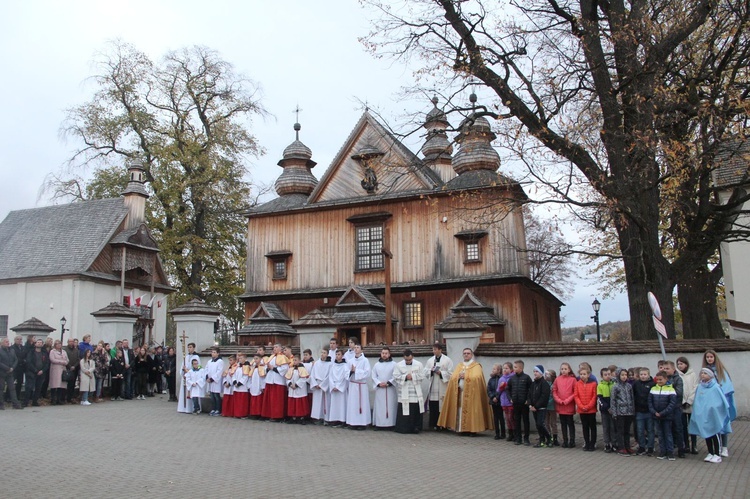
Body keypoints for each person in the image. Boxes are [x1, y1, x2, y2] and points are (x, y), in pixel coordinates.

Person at [437, 348, 493, 435]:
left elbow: (477, 377)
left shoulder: (476, 366)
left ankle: (472, 430)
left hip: (472, 394)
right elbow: (453, 377)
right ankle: (461, 429)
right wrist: (458, 376)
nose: (466, 355)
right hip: (460, 393)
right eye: (464, 353)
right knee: (460, 410)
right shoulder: (459, 366)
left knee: (472, 411)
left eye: (468, 353)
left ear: (472, 355)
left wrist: (466, 376)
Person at [689, 368, 732, 464]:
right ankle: (710, 452)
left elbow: (720, 401)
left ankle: (717, 454)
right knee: (706, 434)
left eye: (705, 373)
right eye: (702, 373)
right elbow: (698, 401)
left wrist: (712, 408)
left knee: (714, 433)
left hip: (713, 415)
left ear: (711, 375)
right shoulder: (700, 387)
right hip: (704, 415)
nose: (703, 375)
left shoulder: (715, 387)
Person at [702, 350, 735, 458]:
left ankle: (724, 447)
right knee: (713, 425)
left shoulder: (721, 371)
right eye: (707, 357)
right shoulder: (704, 371)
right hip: (709, 403)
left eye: (711, 357)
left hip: (720, 402)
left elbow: (726, 387)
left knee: (723, 425)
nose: (709, 359)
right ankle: (716, 448)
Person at [392, 348, 426, 434]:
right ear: (403, 357)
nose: (408, 361)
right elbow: (395, 376)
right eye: (406, 360)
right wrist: (405, 377)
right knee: (404, 410)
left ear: (413, 357)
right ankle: (403, 428)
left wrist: (413, 376)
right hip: (404, 390)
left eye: (410, 360)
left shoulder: (419, 364)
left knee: (415, 409)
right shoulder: (398, 365)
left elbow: (422, 376)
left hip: (415, 391)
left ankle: (416, 428)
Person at [649, 370, 677, 461]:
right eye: (657, 380)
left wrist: (662, 413)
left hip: (667, 416)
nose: (659, 381)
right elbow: (650, 402)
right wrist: (654, 412)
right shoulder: (653, 389)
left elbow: (672, 404)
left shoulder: (671, 389)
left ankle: (670, 452)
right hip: (656, 416)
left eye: (661, 380)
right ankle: (662, 451)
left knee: (668, 434)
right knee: (660, 435)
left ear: (666, 379)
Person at [424, 342, 453, 430]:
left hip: (442, 385)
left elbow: (451, 373)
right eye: (433, 349)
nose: (434, 351)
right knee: (433, 405)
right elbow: (425, 371)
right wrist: (431, 371)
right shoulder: (430, 360)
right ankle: (434, 424)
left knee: (442, 405)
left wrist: (441, 373)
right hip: (433, 386)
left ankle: (443, 425)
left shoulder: (447, 360)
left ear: (440, 350)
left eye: (435, 349)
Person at [260, 343, 289, 421]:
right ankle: (269, 414)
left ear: (280, 348)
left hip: (278, 381)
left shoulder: (283, 357)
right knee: (270, 400)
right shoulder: (271, 357)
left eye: (276, 347)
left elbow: (285, 369)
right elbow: (266, 367)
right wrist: (268, 368)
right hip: (270, 380)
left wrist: (273, 368)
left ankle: (277, 416)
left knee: (277, 400)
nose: (274, 349)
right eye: (274, 347)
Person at [345, 342, 371, 430]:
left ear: (361, 349)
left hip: (361, 386)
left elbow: (367, 373)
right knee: (353, 404)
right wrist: (351, 372)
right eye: (355, 347)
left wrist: (356, 371)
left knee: (362, 404)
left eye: (358, 347)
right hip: (353, 385)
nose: (356, 349)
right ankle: (353, 422)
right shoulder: (350, 361)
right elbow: (346, 373)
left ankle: (362, 423)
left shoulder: (365, 360)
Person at [676, 356, 699, 454]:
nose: (679, 365)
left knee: (692, 425)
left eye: (681, 363)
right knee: (683, 426)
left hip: (691, 403)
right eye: (678, 364)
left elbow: (695, 388)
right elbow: (678, 389)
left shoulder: (693, 374)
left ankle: (694, 445)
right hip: (681, 404)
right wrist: (682, 401)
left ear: (686, 364)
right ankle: (686, 444)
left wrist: (689, 400)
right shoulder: (677, 375)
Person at [370, 346, 397, 430]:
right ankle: (379, 424)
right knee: (380, 406)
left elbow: (395, 375)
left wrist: (389, 383)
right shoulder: (376, 365)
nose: (384, 355)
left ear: (389, 354)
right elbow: (373, 376)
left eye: (386, 353)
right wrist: (378, 383)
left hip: (390, 389)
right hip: (380, 390)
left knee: (391, 406)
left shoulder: (394, 364)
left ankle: (391, 424)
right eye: (383, 353)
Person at [663, 360, 686, 458]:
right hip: (666, 408)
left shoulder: (678, 379)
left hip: (676, 407)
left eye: (667, 369)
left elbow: (679, 393)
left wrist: (668, 389)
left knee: (678, 429)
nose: (665, 370)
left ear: (673, 369)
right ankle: (669, 449)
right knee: (667, 430)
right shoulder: (662, 378)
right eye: (664, 368)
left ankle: (681, 449)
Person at [611, 367, 635, 456]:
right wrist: (614, 413)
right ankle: (621, 447)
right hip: (620, 412)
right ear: (618, 375)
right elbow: (613, 400)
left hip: (629, 411)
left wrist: (633, 410)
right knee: (620, 430)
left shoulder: (629, 386)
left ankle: (627, 446)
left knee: (627, 431)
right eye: (622, 375)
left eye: (625, 375)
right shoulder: (615, 386)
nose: (624, 377)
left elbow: (632, 399)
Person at [507, 359, 532, 445]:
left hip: (524, 403)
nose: (513, 369)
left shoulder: (526, 378)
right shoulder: (512, 378)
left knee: (525, 420)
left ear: (520, 368)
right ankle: (518, 438)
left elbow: (531, 390)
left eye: (515, 367)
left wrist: (528, 400)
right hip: (515, 403)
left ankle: (526, 438)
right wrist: (510, 398)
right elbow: (508, 389)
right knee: (516, 420)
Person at [553, 362, 577, 449]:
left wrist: (568, 400)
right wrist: (558, 400)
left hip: (569, 404)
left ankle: (572, 440)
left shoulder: (573, 380)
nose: (563, 370)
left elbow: (575, 392)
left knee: (570, 423)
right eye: (562, 369)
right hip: (561, 405)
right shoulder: (557, 379)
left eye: (565, 369)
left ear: (569, 370)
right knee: (563, 424)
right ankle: (565, 440)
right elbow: (554, 390)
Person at [633, 367, 655, 456]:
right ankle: (641, 446)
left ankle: (650, 447)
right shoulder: (636, 384)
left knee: (650, 430)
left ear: (648, 375)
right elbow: (633, 395)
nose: (643, 376)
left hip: (649, 411)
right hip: (639, 411)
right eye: (641, 374)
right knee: (640, 430)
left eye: (645, 374)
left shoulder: (652, 384)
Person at [575, 365, 598, 451]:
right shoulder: (577, 384)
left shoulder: (593, 383)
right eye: (581, 374)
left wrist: (588, 406)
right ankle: (587, 442)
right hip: (582, 409)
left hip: (591, 409)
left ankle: (593, 443)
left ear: (588, 375)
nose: (582, 376)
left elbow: (594, 396)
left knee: (592, 426)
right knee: (585, 426)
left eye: (584, 374)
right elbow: (576, 396)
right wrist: (581, 406)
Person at [529, 365, 551, 447]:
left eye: (537, 371)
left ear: (541, 373)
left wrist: (536, 406)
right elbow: (530, 394)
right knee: (537, 425)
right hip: (534, 408)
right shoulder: (533, 384)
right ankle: (542, 440)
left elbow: (544, 396)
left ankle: (549, 437)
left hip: (541, 408)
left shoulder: (544, 384)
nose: (535, 373)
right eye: (534, 371)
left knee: (540, 423)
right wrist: (530, 404)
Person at [326, 349, 348, 427]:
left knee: (342, 404)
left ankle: (342, 420)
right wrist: (333, 386)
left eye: (339, 354)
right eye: (336, 354)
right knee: (334, 405)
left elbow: (345, 378)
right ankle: (334, 419)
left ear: (342, 356)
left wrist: (339, 387)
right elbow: (330, 377)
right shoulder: (333, 365)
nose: (337, 356)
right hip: (334, 387)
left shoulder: (345, 366)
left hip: (341, 388)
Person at [285, 355, 310, 424]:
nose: (294, 361)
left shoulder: (302, 369)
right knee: (292, 403)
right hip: (292, 389)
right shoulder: (291, 369)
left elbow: (303, 378)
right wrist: (290, 384)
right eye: (293, 360)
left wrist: (296, 385)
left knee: (300, 404)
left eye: (296, 360)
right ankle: (293, 417)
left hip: (299, 389)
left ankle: (301, 417)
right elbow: (287, 378)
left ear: (299, 361)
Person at [309, 349, 331, 424]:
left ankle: (326, 418)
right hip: (317, 384)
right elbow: (312, 375)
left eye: (324, 353)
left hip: (324, 384)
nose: (322, 354)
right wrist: (315, 384)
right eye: (321, 352)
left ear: (327, 354)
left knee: (325, 402)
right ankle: (318, 418)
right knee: (317, 402)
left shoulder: (330, 364)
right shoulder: (316, 363)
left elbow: (329, 376)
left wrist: (322, 385)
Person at [24, 339, 48, 407]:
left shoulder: (44, 353)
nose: (39, 344)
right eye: (38, 342)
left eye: (41, 342)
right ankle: (26, 402)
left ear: (42, 344)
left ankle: (35, 401)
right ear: (35, 344)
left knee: (38, 388)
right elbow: (29, 362)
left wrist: (42, 370)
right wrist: (35, 370)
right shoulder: (31, 352)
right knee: (29, 387)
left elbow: (47, 363)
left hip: (41, 373)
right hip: (32, 373)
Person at [0, 337, 22, 409]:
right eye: (6, 341)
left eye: (8, 341)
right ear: (2, 343)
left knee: (12, 388)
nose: (8, 343)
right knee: (1, 388)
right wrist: (7, 368)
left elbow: (16, 360)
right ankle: (1, 404)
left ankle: (15, 404)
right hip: (2, 372)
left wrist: (12, 368)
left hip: (10, 373)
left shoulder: (12, 350)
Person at [178, 342, 200, 413]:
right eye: (188, 347)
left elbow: (198, 367)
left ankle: (194, 408)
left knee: (192, 393)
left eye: (190, 347)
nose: (189, 349)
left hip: (192, 378)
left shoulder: (196, 357)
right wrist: (183, 371)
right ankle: (183, 408)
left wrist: (188, 371)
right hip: (185, 377)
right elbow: (182, 366)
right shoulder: (186, 356)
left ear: (194, 348)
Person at [597, 367, 615, 452]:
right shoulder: (600, 386)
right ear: (602, 376)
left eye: (609, 374)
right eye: (605, 375)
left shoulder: (614, 384)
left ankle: (613, 443)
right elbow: (600, 399)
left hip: (613, 409)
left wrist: (612, 407)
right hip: (604, 410)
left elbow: (615, 398)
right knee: (606, 427)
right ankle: (607, 443)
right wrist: (607, 407)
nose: (607, 376)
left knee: (613, 427)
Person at [46, 339, 68, 406]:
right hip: (55, 369)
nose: (59, 345)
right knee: (54, 385)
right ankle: (53, 400)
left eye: (60, 344)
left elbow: (67, 359)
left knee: (61, 386)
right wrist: (61, 361)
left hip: (63, 369)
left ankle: (59, 399)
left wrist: (66, 362)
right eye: (57, 344)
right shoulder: (52, 351)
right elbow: (52, 359)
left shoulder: (64, 351)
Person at [486, 363, 505, 440]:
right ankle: (497, 433)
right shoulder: (491, 379)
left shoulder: (502, 378)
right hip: (493, 400)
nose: (492, 370)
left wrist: (497, 397)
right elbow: (489, 389)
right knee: (495, 417)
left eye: (494, 369)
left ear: (499, 370)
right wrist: (492, 397)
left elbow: (501, 389)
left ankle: (503, 433)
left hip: (500, 400)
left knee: (501, 417)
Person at [498, 362, 515, 442]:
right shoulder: (501, 378)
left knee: (511, 418)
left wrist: (506, 386)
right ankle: (510, 433)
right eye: (504, 368)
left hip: (510, 401)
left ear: (511, 369)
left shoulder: (512, 377)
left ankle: (514, 433)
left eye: (507, 368)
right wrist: (501, 387)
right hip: (503, 401)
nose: (505, 370)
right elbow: (498, 391)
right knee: (507, 418)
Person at [205, 347, 224, 416]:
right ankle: (213, 408)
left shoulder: (220, 361)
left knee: (216, 396)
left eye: (214, 352)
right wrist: (207, 377)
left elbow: (219, 372)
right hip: (210, 381)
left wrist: (212, 379)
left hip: (216, 382)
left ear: (218, 354)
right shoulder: (209, 361)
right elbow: (206, 369)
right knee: (212, 396)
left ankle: (218, 409)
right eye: (212, 352)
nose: (212, 353)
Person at [231, 353, 250, 419]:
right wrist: (234, 382)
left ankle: (243, 414)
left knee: (242, 402)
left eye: (241, 358)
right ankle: (237, 413)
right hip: (236, 387)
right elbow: (233, 374)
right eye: (239, 358)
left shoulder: (247, 366)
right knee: (237, 402)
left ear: (245, 358)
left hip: (242, 387)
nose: (240, 359)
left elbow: (246, 376)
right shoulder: (237, 366)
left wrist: (239, 383)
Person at [248, 353, 266, 418]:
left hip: (259, 385)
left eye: (257, 358)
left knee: (259, 400)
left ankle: (259, 413)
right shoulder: (253, 367)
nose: (255, 360)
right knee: (253, 399)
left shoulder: (263, 367)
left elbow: (263, 377)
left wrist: (263, 386)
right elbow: (250, 377)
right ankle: (253, 413)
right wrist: (249, 385)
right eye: (254, 359)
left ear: (260, 359)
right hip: (253, 385)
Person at [544, 369, 559, 446]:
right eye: (545, 374)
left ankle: (555, 438)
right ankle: (549, 437)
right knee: (546, 423)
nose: (546, 376)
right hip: (545, 406)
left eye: (548, 375)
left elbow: (555, 395)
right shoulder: (544, 383)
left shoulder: (555, 384)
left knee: (553, 423)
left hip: (552, 406)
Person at [64, 338, 80, 403]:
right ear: (68, 342)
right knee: (65, 383)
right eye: (70, 341)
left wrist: (74, 366)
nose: (71, 343)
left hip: (74, 369)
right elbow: (65, 359)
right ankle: (64, 397)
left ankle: (70, 398)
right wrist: (69, 366)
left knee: (72, 384)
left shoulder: (76, 350)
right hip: (67, 368)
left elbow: (78, 359)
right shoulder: (65, 350)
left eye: (72, 341)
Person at [11, 336, 26, 403]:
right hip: (15, 367)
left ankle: (18, 396)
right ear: (14, 340)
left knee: (20, 382)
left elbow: (25, 355)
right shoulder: (12, 348)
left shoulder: (23, 348)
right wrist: (21, 360)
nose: (19, 340)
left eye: (20, 339)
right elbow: (14, 357)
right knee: (11, 382)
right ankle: (8, 397)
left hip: (21, 367)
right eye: (18, 339)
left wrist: (24, 361)